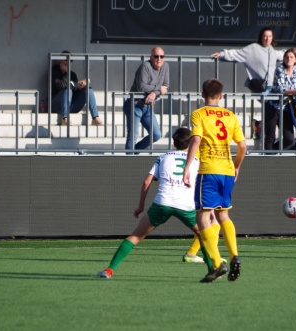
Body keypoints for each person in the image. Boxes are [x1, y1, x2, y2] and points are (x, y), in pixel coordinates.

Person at [97, 127, 212, 279]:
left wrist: (140, 206)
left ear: (173, 142)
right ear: (191, 143)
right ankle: (213, 269)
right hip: (186, 205)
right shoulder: (197, 161)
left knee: (136, 236)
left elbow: (146, 182)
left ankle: (109, 270)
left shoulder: (163, 157)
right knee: (202, 235)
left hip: (162, 203)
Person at [183, 78, 247, 283]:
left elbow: (195, 140)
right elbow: (243, 146)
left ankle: (217, 263)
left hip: (208, 169)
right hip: (227, 170)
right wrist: (236, 166)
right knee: (223, 216)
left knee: (203, 218)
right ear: (221, 95)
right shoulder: (230, 115)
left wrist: (187, 167)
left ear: (202, 95)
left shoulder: (198, 114)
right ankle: (234, 255)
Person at [211, 27, 285, 93]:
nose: (267, 39)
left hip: (271, 85)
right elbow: (238, 53)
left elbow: (281, 54)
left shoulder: (272, 50)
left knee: (271, 107)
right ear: (261, 37)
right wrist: (222, 54)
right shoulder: (253, 48)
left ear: (272, 38)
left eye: (270, 36)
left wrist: (292, 52)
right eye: (265, 36)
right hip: (259, 86)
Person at [123, 47, 168, 152]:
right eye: (156, 56)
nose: (159, 59)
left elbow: (165, 87)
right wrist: (158, 89)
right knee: (132, 135)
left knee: (156, 135)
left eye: (162, 56)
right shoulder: (145, 66)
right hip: (134, 105)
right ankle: (128, 163)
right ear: (151, 57)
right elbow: (141, 87)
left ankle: (135, 151)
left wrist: (153, 93)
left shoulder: (165, 66)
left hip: (148, 106)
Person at [265, 48, 296, 150]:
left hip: (286, 107)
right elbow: (281, 89)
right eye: (287, 57)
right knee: (270, 136)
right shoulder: (280, 69)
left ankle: (272, 152)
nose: (289, 59)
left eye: (291, 57)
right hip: (273, 106)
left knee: (289, 139)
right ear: (283, 59)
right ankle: (267, 157)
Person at [51, 50, 102, 126]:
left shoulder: (72, 74)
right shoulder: (54, 71)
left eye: (70, 60)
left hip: (71, 105)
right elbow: (60, 86)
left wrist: (80, 86)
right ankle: (65, 118)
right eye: (66, 60)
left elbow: (74, 91)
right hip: (57, 104)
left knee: (89, 90)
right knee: (67, 89)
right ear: (60, 60)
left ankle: (95, 117)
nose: (67, 62)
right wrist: (66, 74)